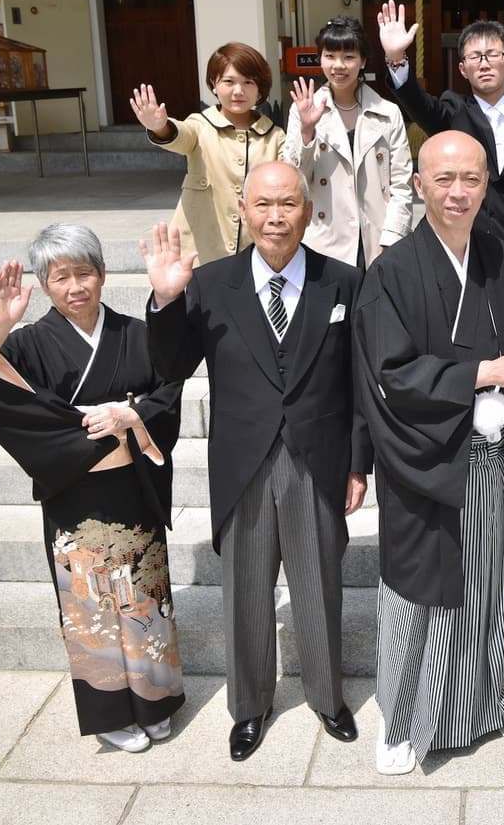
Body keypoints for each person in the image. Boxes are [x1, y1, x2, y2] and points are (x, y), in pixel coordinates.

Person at [140, 161, 369, 761]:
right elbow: (168, 367)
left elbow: (360, 384)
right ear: (244, 208)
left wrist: (357, 462)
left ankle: (327, 696)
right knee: (244, 590)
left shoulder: (341, 282)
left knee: (319, 584)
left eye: (288, 204)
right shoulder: (211, 284)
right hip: (242, 459)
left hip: (316, 457)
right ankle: (249, 706)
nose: (276, 217)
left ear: (307, 209)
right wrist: (165, 300)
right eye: (264, 204)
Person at [353, 130, 504, 775]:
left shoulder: (501, 255)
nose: (459, 191)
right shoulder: (391, 271)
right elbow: (390, 372)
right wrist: (483, 372)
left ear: (487, 183)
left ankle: (486, 705)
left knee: (490, 584)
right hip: (429, 461)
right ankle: (403, 720)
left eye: (471, 178)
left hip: (498, 464)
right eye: (444, 179)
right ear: (418, 185)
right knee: (422, 594)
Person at [0, 224, 185, 754]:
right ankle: (109, 712)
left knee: (143, 593)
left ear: (101, 275)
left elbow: (169, 387)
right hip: (74, 494)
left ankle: (156, 699)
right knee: (92, 605)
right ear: (45, 285)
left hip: (132, 485)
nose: (75, 286)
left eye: (84, 273)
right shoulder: (29, 343)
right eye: (61, 278)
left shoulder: (135, 333)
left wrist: (133, 413)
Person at [378, 1, 504, 271]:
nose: (484, 63)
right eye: (475, 57)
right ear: (463, 69)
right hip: (467, 248)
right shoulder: (453, 113)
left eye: (492, 55)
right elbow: (419, 104)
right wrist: (396, 59)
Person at [131, 42, 285, 265]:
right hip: (199, 252)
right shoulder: (200, 125)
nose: (238, 91)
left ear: (260, 87)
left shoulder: (275, 136)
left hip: (255, 254)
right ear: (214, 83)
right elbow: (181, 135)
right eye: (229, 82)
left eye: (248, 82)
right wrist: (159, 126)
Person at [283, 16, 413, 268]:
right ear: (320, 58)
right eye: (329, 56)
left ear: (363, 61)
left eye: (349, 57)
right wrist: (307, 131)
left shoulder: (388, 113)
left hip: (377, 240)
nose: (338, 66)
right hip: (325, 240)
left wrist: (393, 236)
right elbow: (294, 180)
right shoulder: (303, 110)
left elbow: (401, 184)